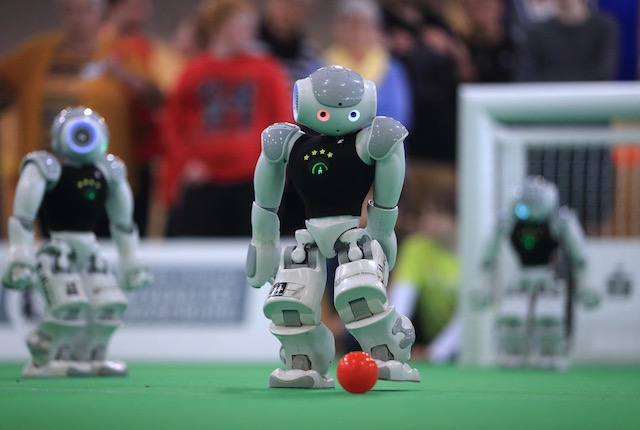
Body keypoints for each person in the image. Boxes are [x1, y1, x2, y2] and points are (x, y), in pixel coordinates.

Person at [247, 65, 420, 388]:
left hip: (352, 234)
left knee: (361, 296)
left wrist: (382, 231)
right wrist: (263, 242)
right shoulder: (287, 142)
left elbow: (387, 193)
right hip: (307, 237)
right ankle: (304, 362)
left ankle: (387, 355)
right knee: (290, 305)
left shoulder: (374, 140)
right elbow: (265, 199)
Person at [1, 106, 151, 377]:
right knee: (70, 305)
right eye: (77, 133)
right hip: (58, 247)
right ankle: (43, 356)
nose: (83, 137)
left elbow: (123, 223)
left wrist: (132, 262)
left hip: (90, 248)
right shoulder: (46, 168)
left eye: (88, 133)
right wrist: (20, 255)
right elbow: (23, 216)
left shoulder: (108, 171)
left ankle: (91, 355)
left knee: (109, 305)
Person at [0, 0, 150, 238]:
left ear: (101, 13)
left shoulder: (121, 53)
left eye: (86, 10)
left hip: (101, 173)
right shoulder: (38, 53)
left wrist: (123, 74)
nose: (77, 18)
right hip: (50, 172)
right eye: (70, 10)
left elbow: (155, 96)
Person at [157, 0, 292, 237]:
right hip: (204, 182)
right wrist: (185, 163)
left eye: (251, 25)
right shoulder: (194, 70)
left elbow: (283, 121)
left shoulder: (266, 69)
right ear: (219, 28)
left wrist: (275, 168)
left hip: (252, 182)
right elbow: (172, 125)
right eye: (241, 25)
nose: (250, 32)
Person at [515, 0, 619, 235]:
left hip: (593, 144)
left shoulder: (605, 28)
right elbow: (527, 81)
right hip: (547, 145)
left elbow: (602, 75)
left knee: (594, 222)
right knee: (543, 222)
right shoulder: (536, 32)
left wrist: (554, 82)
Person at [388, 189, 460, 362]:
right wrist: (391, 344)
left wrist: (437, 352)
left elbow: (470, 316)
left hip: (472, 349)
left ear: (455, 220)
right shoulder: (417, 247)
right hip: (435, 350)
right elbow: (401, 302)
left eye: (434, 214)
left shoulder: (476, 253)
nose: (424, 221)